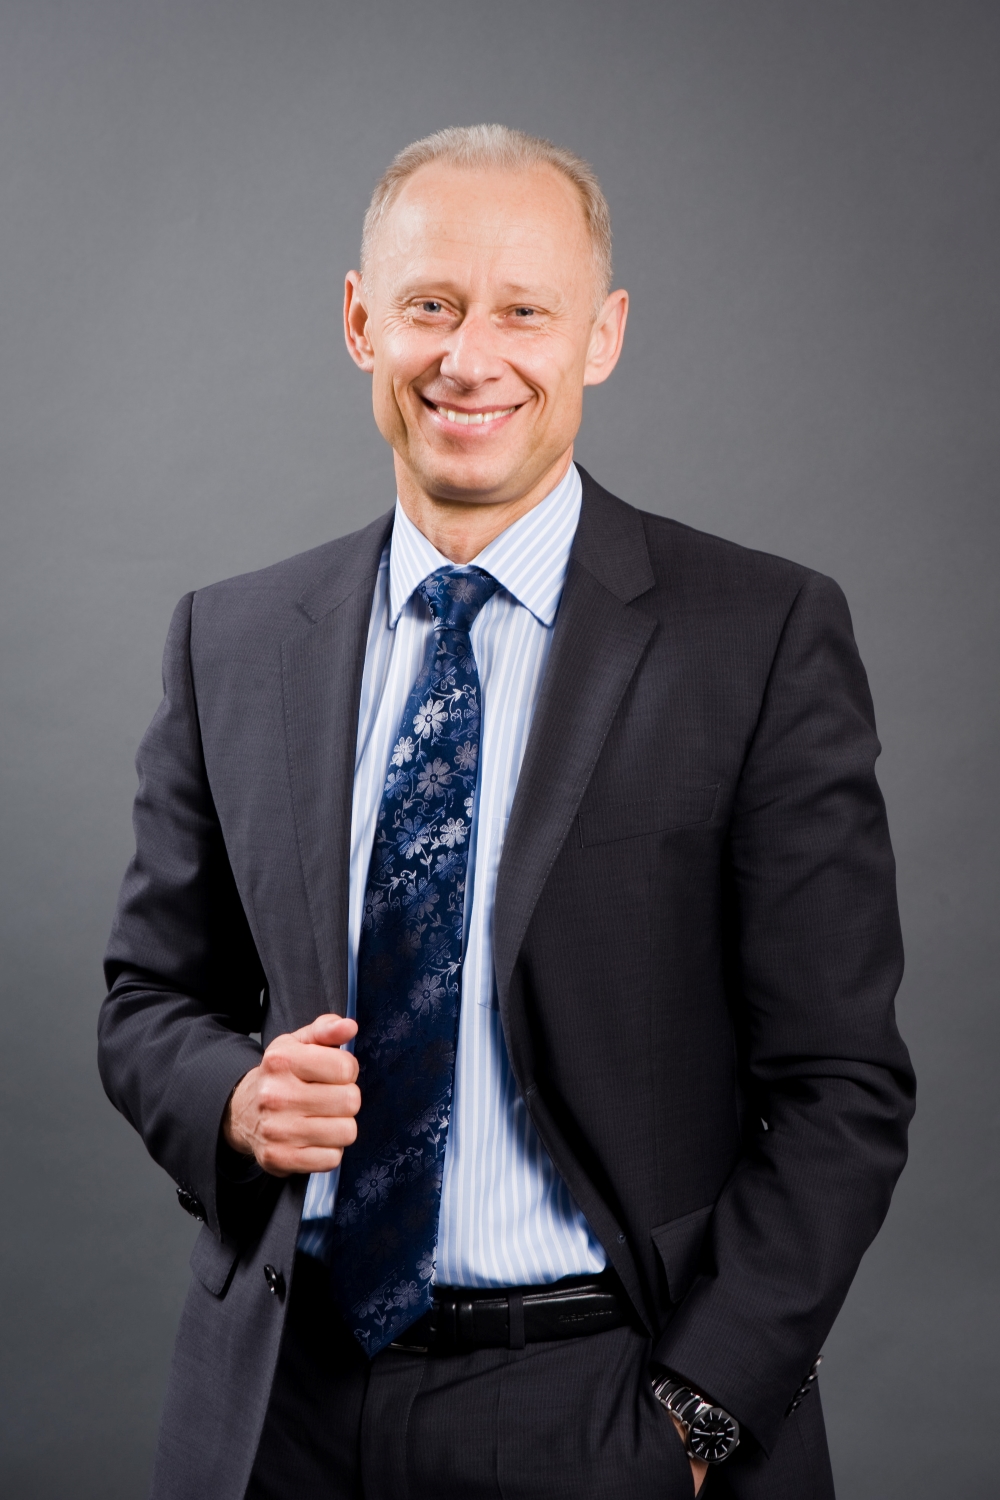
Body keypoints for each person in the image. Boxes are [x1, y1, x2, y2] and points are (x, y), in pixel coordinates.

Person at [99, 124, 915, 1500]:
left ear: (602, 336)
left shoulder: (759, 636)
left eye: (524, 311)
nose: (469, 359)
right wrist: (233, 1100)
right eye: (430, 304)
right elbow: (146, 999)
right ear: (361, 321)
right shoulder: (229, 641)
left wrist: (699, 1417)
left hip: (606, 1402)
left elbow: (843, 1087)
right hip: (279, 1413)